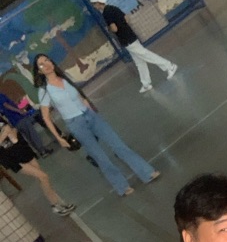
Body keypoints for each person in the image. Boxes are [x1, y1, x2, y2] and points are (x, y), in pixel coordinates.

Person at [33, 54, 160, 197]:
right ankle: (122, 186)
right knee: (100, 157)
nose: (46, 64)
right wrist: (59, 138)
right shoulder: (44, 90)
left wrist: (91, 111)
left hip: (90, 116)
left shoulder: (65, 78)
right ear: (39, 71)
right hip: (76, 124)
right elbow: (45, 117)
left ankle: (147, 172)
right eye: (41, 64)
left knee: (118, 144)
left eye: (47, 60)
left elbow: (80, 97)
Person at [90, 0, 178, 93]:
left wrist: (109, 29)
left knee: (145, 54)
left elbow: (114, 28)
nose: (94, 6)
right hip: (130, 35)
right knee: (139, 62)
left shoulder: (106, 13)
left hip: (125, 39)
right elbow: (126, 18)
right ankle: (146, 83)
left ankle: (169, 66)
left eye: (94, 4)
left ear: (98, 3)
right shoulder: (113, 8)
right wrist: (122, 25)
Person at [0, 118, 75, 215]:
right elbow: (6, 132)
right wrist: (5, 134)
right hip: (12, 158)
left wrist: (11, 133)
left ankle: (59, 202)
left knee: (42, 178)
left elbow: (12, 128)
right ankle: (55, 205)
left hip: (21, 149)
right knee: (43, 176)